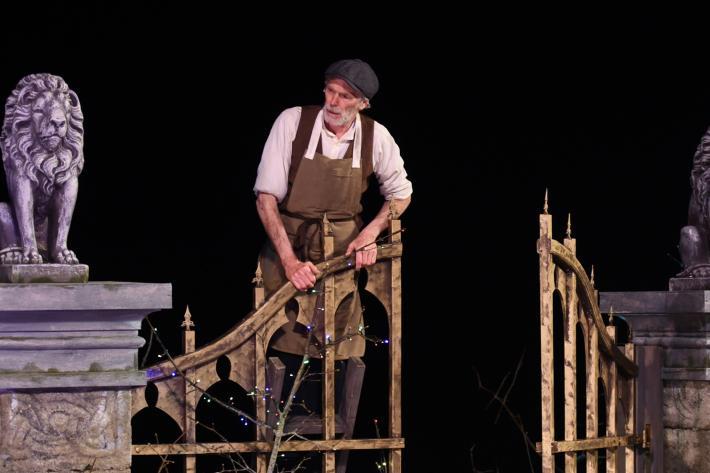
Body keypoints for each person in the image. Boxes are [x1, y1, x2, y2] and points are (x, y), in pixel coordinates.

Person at [254, 58, 412, 366]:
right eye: (330, 91)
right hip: (290, 251)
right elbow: (266, 198)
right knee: (278, 354)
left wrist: (369, 234)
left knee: (336, 357)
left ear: (363, 104)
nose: (333, 102)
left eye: (345, 96)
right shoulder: (293, 122)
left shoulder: (375, 136)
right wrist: (290, 262)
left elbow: (401, 194)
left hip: (340, 258)